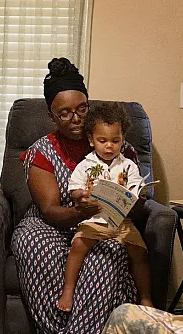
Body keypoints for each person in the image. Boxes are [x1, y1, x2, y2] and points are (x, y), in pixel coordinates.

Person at [11, 57, 143, 334]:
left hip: (102, 223)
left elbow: (136, 194)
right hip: (53, 224)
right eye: (64, 113)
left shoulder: (114, 143)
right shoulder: (43, 150)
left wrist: (128, 202)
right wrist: (82, 210)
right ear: (51, 115)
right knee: (32, 243)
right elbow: (51, 210)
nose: (75, 119)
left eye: (81, 109)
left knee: (105, 259)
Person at [58, 101, 154, 312]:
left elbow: (136, 190)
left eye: (115, 140)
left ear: (123, 141)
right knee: (78, 246)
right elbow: (74, 190)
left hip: (122, 222)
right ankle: (68, 290)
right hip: (94, 221)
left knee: (140, 252)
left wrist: (138, 197)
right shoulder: (86, 165)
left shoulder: (128, 165)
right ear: (91, 140)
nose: (109, 146)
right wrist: (81, 195)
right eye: (102, 140)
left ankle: (145, 297)